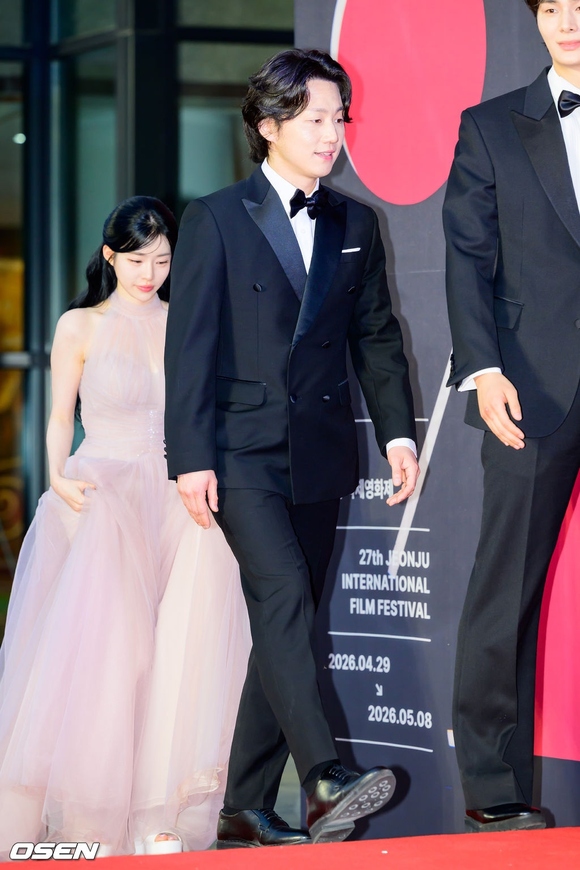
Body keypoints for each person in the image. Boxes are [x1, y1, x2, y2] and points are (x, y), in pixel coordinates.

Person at [164, 49, 419, 849]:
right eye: (315, 119)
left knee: (286, 625)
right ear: (269, 125)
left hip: (320, 455)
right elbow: (189, 347)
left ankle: (242, 807)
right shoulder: (215, 217)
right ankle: (323, 776)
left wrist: (399, 431)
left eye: (339, 117)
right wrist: (188, 457)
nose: (331, 133)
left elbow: (376, 338)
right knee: (282, 600)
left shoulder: (356, 223)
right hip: (239, 453)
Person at [0, 197, 250, 858]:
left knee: (181, 654)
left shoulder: (186, 320)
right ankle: (90, 817)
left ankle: (156, 814)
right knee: (113, 659)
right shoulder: (80, 325)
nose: (150, 274)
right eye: (138, 261)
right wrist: (56, 476)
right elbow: (59, 415)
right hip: (101, 497)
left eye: (162, 261)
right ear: (110, 256)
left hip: (174, 496)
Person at [443, 0, 580, 835]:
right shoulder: (492, 125)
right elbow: (466, 257)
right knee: (506, 595)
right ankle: (495, 792)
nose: (568, 21)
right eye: (553, 7)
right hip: (530, 388)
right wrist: (484, 369)